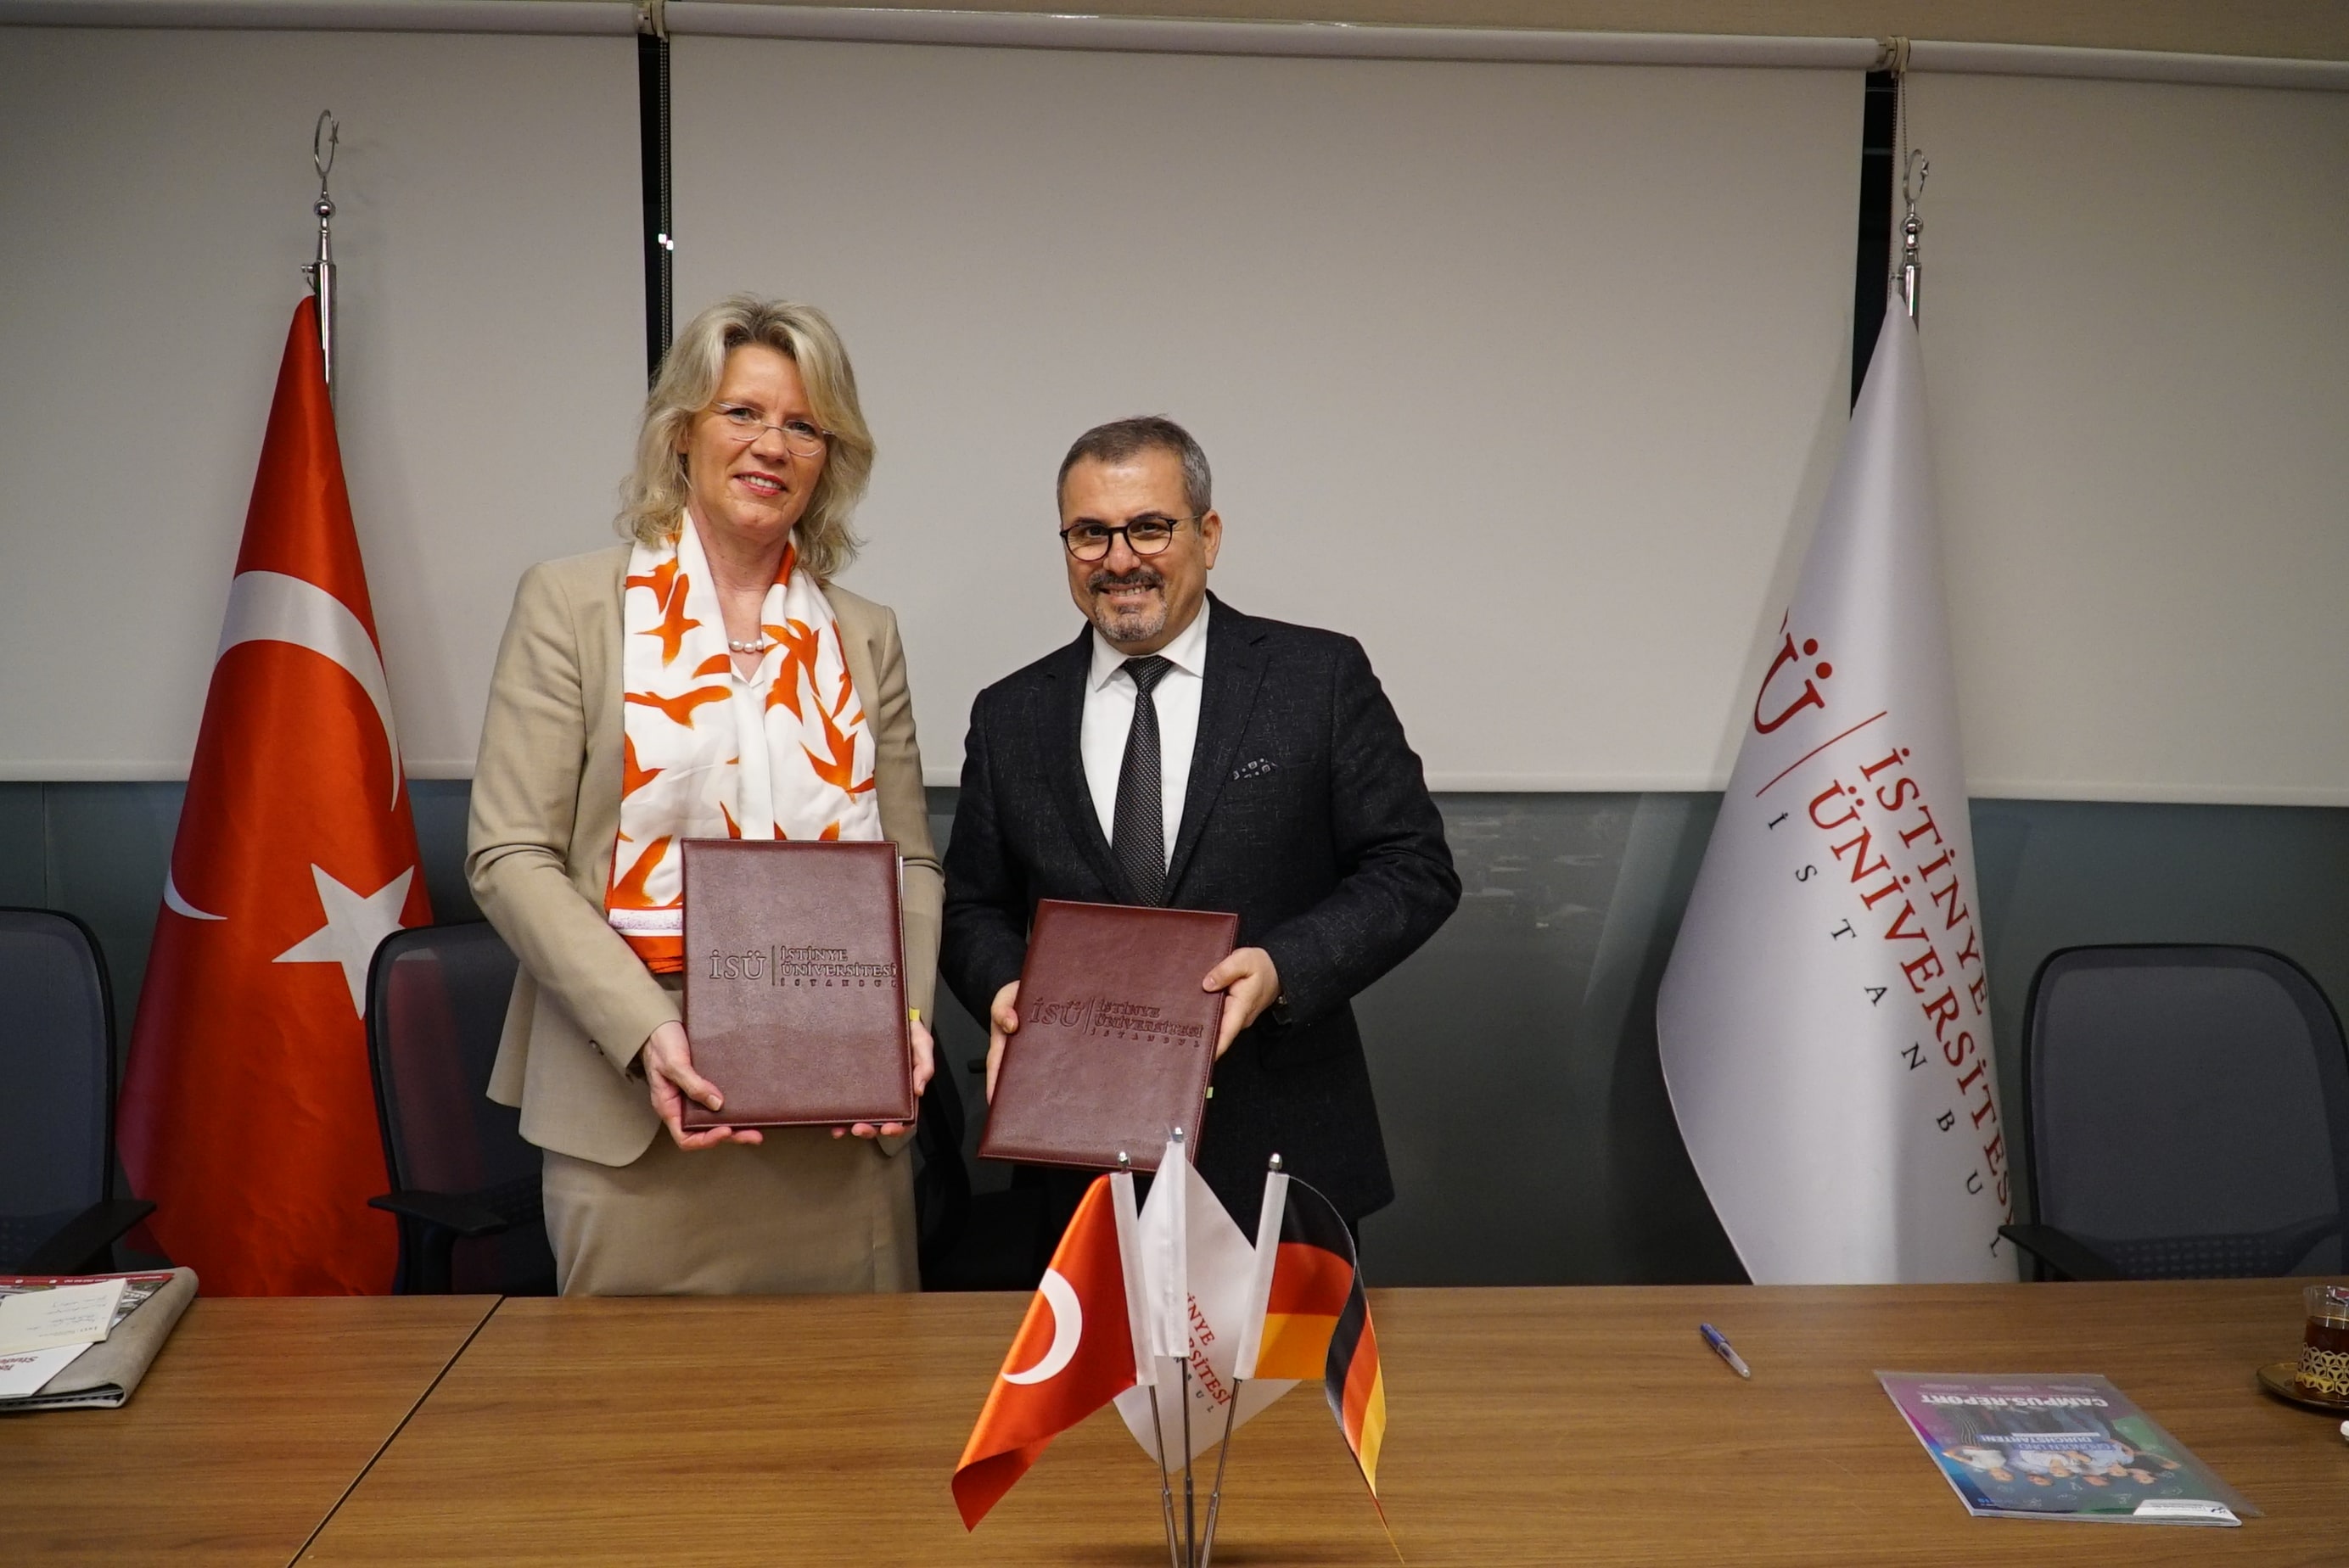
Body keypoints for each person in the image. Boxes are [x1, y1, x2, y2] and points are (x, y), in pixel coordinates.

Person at [468, 296, 940, 1295]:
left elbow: (909, 862)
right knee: (637, 1400)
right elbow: (509, 855)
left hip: (837, 1120)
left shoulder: (865, 632)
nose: (771, 445)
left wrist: (897, 1022)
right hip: (635, 1111)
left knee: (851, 1392)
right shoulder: (572, 605)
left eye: (803, 425)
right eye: (742, 413)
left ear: (829, 458)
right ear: (681, 430)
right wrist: (647, 1030)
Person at [939, 415, 1458, 1237]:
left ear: (1207, 536)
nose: (1119, 559)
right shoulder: (1010, 715)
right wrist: (1009, 993)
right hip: (1078, 1163)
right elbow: (972, 907)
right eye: (1089, 533)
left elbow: (1413, 866)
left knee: (1287, 1338)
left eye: (1149, 527)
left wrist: (1281, 969)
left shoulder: (1314, 679)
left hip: (1281, 1156)